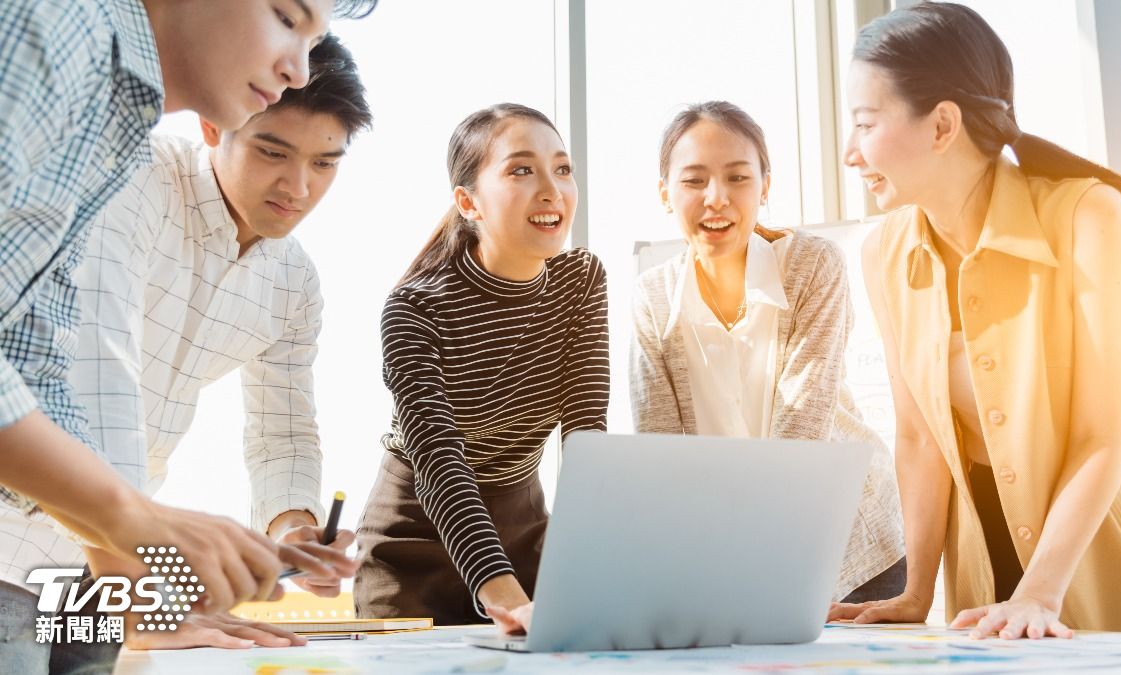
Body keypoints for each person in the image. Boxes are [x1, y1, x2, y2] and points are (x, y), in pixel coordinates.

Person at [0, 0, 376, 670]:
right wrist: (144, 559)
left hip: (108, 552)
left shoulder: (294, 281)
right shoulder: (131, 158)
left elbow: (282, 430)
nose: (298, 185)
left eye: (326, 163)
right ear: (215, 130)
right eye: (287, 18)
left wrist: (292, 531)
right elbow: (96, 373)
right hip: (31, 542)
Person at [828, 1, 1121, 638]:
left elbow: (1098, 435)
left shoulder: (1089, 216)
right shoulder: (882, 254)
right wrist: (918, 590)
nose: (849, 154)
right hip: (987, 582)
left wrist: (1039, 593)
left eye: (865, 125)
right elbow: (919, 439)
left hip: (1118, 559)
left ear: (942, 125)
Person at [630, 101, 906, 604]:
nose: (716, 199)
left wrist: (754, 566)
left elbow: (802, 430)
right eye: (694, 181)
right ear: (665, 193)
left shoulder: (813, 266)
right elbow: (662, 455)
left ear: (765, 187)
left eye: (738, 178)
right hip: (727, 560)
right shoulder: (651, 297)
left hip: (850, 548)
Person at [354, 103, 609, 634]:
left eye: (562, 169)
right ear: (468, 201)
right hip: (415, 542)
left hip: (523, 530)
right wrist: (502, 592)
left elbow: (586, 432)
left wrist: (592, 566)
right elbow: (440, 463)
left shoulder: (581, 280)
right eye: (521, 169)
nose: (551, 189)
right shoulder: (414, 309)